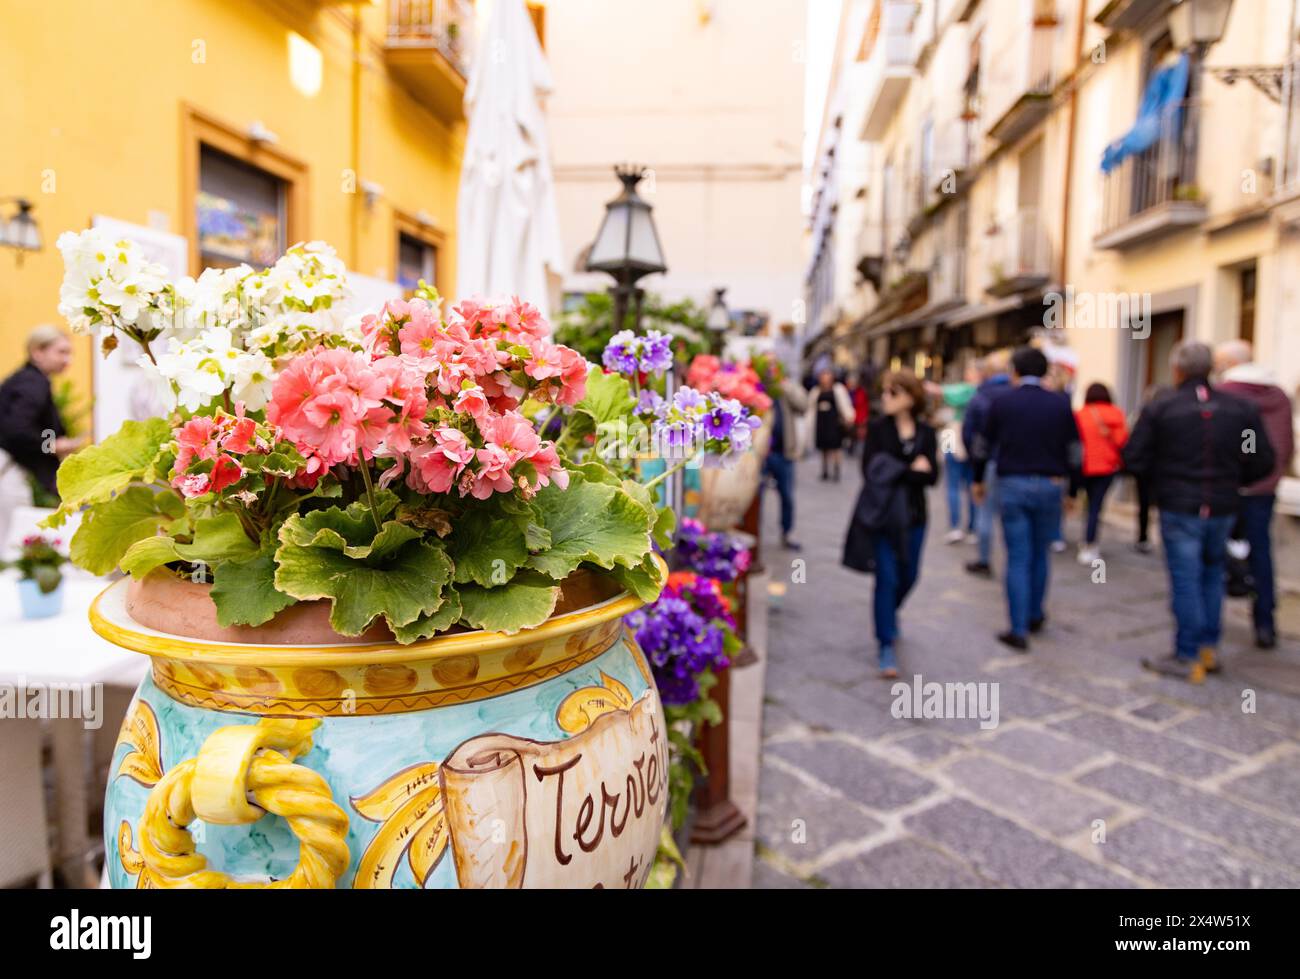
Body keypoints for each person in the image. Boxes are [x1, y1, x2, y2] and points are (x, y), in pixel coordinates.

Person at [1123, 341, 1275, 683]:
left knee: (1186, 578)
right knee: (1210, 574)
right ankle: (1208, 647)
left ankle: (1187, 653)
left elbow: (1134, 457)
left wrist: (1162, 481)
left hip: (1181, 506)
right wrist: (1235, 479)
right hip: (1221, 506)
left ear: (1177, 369)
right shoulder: (1241, 410)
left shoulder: (1162, 409)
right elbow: (1259, 456)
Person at [971, 347, 1081, 652]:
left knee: (1018, 555)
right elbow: (1074, 449)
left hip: (1013, 484)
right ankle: (1035, 613)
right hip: (1050, 484)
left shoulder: (1003, 402)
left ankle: (1017, 628)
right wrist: (1073, 491)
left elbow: (982, 444)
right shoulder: (1060, 404)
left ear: (1014, 371)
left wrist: (978, 479)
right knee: (1040, 552)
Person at [1215, 339, 1294, 649]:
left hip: (1230, 484)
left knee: (1214, 550)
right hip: (1265, 486)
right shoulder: (1280, 396)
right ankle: (1265, 622)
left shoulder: (1225, 395)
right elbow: (1285, 443)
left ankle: (1208, 625)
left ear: (1232, 365)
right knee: (1261, 551)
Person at [859, 370, 938, 678]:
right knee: (887, 578)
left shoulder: (926, 433)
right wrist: (910, 468)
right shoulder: (878, 429)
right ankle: (885, 643)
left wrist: (899, 470)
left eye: (892, 393)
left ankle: (888, 615)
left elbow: (932, 476)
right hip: (883, 516)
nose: (885, 398)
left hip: (915, 515)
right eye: (885, 392)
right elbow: (872, 470)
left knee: (910, 575)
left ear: (910, 397)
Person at [0, 326, 83, 545]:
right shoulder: (32, 384)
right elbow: (17, 430)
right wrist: (53, 445)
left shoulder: (30, 380)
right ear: (38, 352)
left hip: (11, 468)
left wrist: (52, 441)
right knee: (9, 539)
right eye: (62, 352)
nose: (68, 360)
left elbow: (38, 426)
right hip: (8, 470)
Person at [962, 349, 1013, 577]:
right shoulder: (1015, 395)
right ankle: (1015, 561)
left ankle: (984, 559)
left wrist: (975, 466)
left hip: (990, 462)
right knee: (1012, 516)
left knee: (985, 512)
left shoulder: (981, 396)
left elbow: (970, 433)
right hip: (1015, 465)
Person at [1072, 382, 1129, 565]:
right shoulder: (1116, 413)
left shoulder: (1080, 414)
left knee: (1089, 504)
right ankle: (1090, 542)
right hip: (1107, 466)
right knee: (1096, 505)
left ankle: (1087, 538)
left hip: (1085, 465)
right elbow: (1122, 441)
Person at [762, 374, 810, 550]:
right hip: (762, 454)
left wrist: (786, 387)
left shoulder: (786, 388)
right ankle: (755, 536)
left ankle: (787, 532)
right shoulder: (757, 387)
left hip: (783, 452)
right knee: (756, 497)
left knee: (787, 496)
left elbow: (803, 405)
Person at [939, 362, 979, 544]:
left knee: (954, 484)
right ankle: (972, 528)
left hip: (954, 434)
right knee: (969, 485)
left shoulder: (966, 391)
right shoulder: (983, 393)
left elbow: (942, 392)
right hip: (962, 439)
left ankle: (956, 527)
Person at [1130, 384, 1170, 553]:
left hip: (1147, 468)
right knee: (1165, 506)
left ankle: (1143, 537)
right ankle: (1164, 538)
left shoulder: (1147, 414)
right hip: (1164, 469)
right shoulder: (1173, 414)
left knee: (1144, 504)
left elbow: (1137, 441)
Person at [813, 369, 854, 482]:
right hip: (821, 422)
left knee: (836, 446)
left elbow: (845, 404)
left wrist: (848, 417)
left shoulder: (838, 389)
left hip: (834, 422)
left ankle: (836, 470)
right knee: (823, 447)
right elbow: (811, 406)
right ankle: (825, 470)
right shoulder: (817, 390)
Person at [845, 371, 870, 455]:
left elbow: (864, 405)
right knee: (850, 434)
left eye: (853, 382)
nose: (851, 384)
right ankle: (850, 447)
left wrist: (864, 417)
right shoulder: (845, 391)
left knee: (857, 435)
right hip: (849, 417)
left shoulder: (861, 392)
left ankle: (855, 448)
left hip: (859, 417)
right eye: (850, 382)